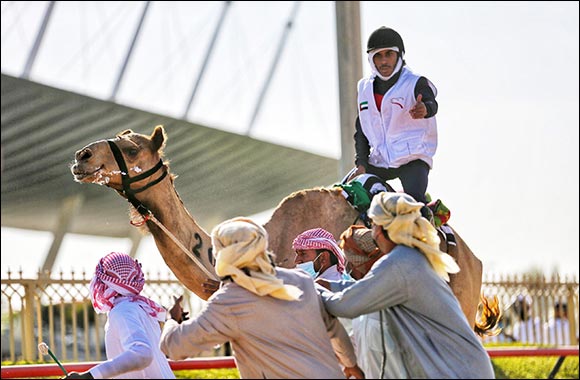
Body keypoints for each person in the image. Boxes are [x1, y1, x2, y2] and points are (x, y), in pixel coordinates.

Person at [159, 217, 364, 379]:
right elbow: (334, 330)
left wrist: (171, 320)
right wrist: (351, 365)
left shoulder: (229, 301)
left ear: (222, 254)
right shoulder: (300, 281)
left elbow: (174, 347)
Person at [319, 192, 495, 378]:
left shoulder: (399, 263)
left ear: (381, 230)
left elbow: (346, 304)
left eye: (374, 225)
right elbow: (364, 291)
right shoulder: (410, 260)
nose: (374, 233)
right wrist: (328, 286)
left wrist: (309, 289)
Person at [345, 26, 439, 208]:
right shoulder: (363, 88)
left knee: (414, 208)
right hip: (380, 160)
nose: (384, 61)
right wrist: (362, 163)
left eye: (389, 54)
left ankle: (440, 230)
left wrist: (425, 109)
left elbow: (432, 103)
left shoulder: (415, 82)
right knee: (346, 193)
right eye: (378, 56)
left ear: (400, 55)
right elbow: (362, 130)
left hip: (412, 159)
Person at [64, 252, 175, 379]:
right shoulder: (141, 307)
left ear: (105, 282)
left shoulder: (122, 311)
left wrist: (89, 376)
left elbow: (142, 353)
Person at [320, 225, 407, 379]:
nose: (350, 269)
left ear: (358, 265)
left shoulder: (373, 303)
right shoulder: (388, 289)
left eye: (351, 264)